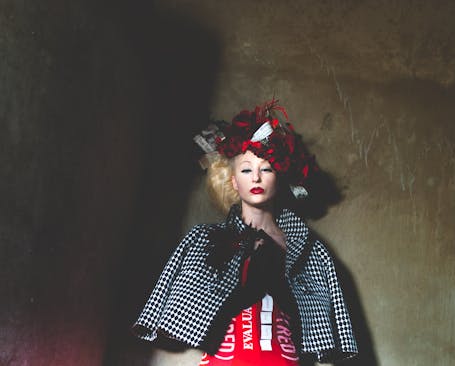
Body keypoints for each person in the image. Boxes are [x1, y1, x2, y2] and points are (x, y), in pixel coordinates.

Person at [132, 99, 358, 365]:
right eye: (247, 169)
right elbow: (178, 314)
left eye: (266, 169)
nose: (256, 178)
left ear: (279, 177)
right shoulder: (203, 240)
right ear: (233, 181)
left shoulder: (310, 250)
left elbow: (323, 326)